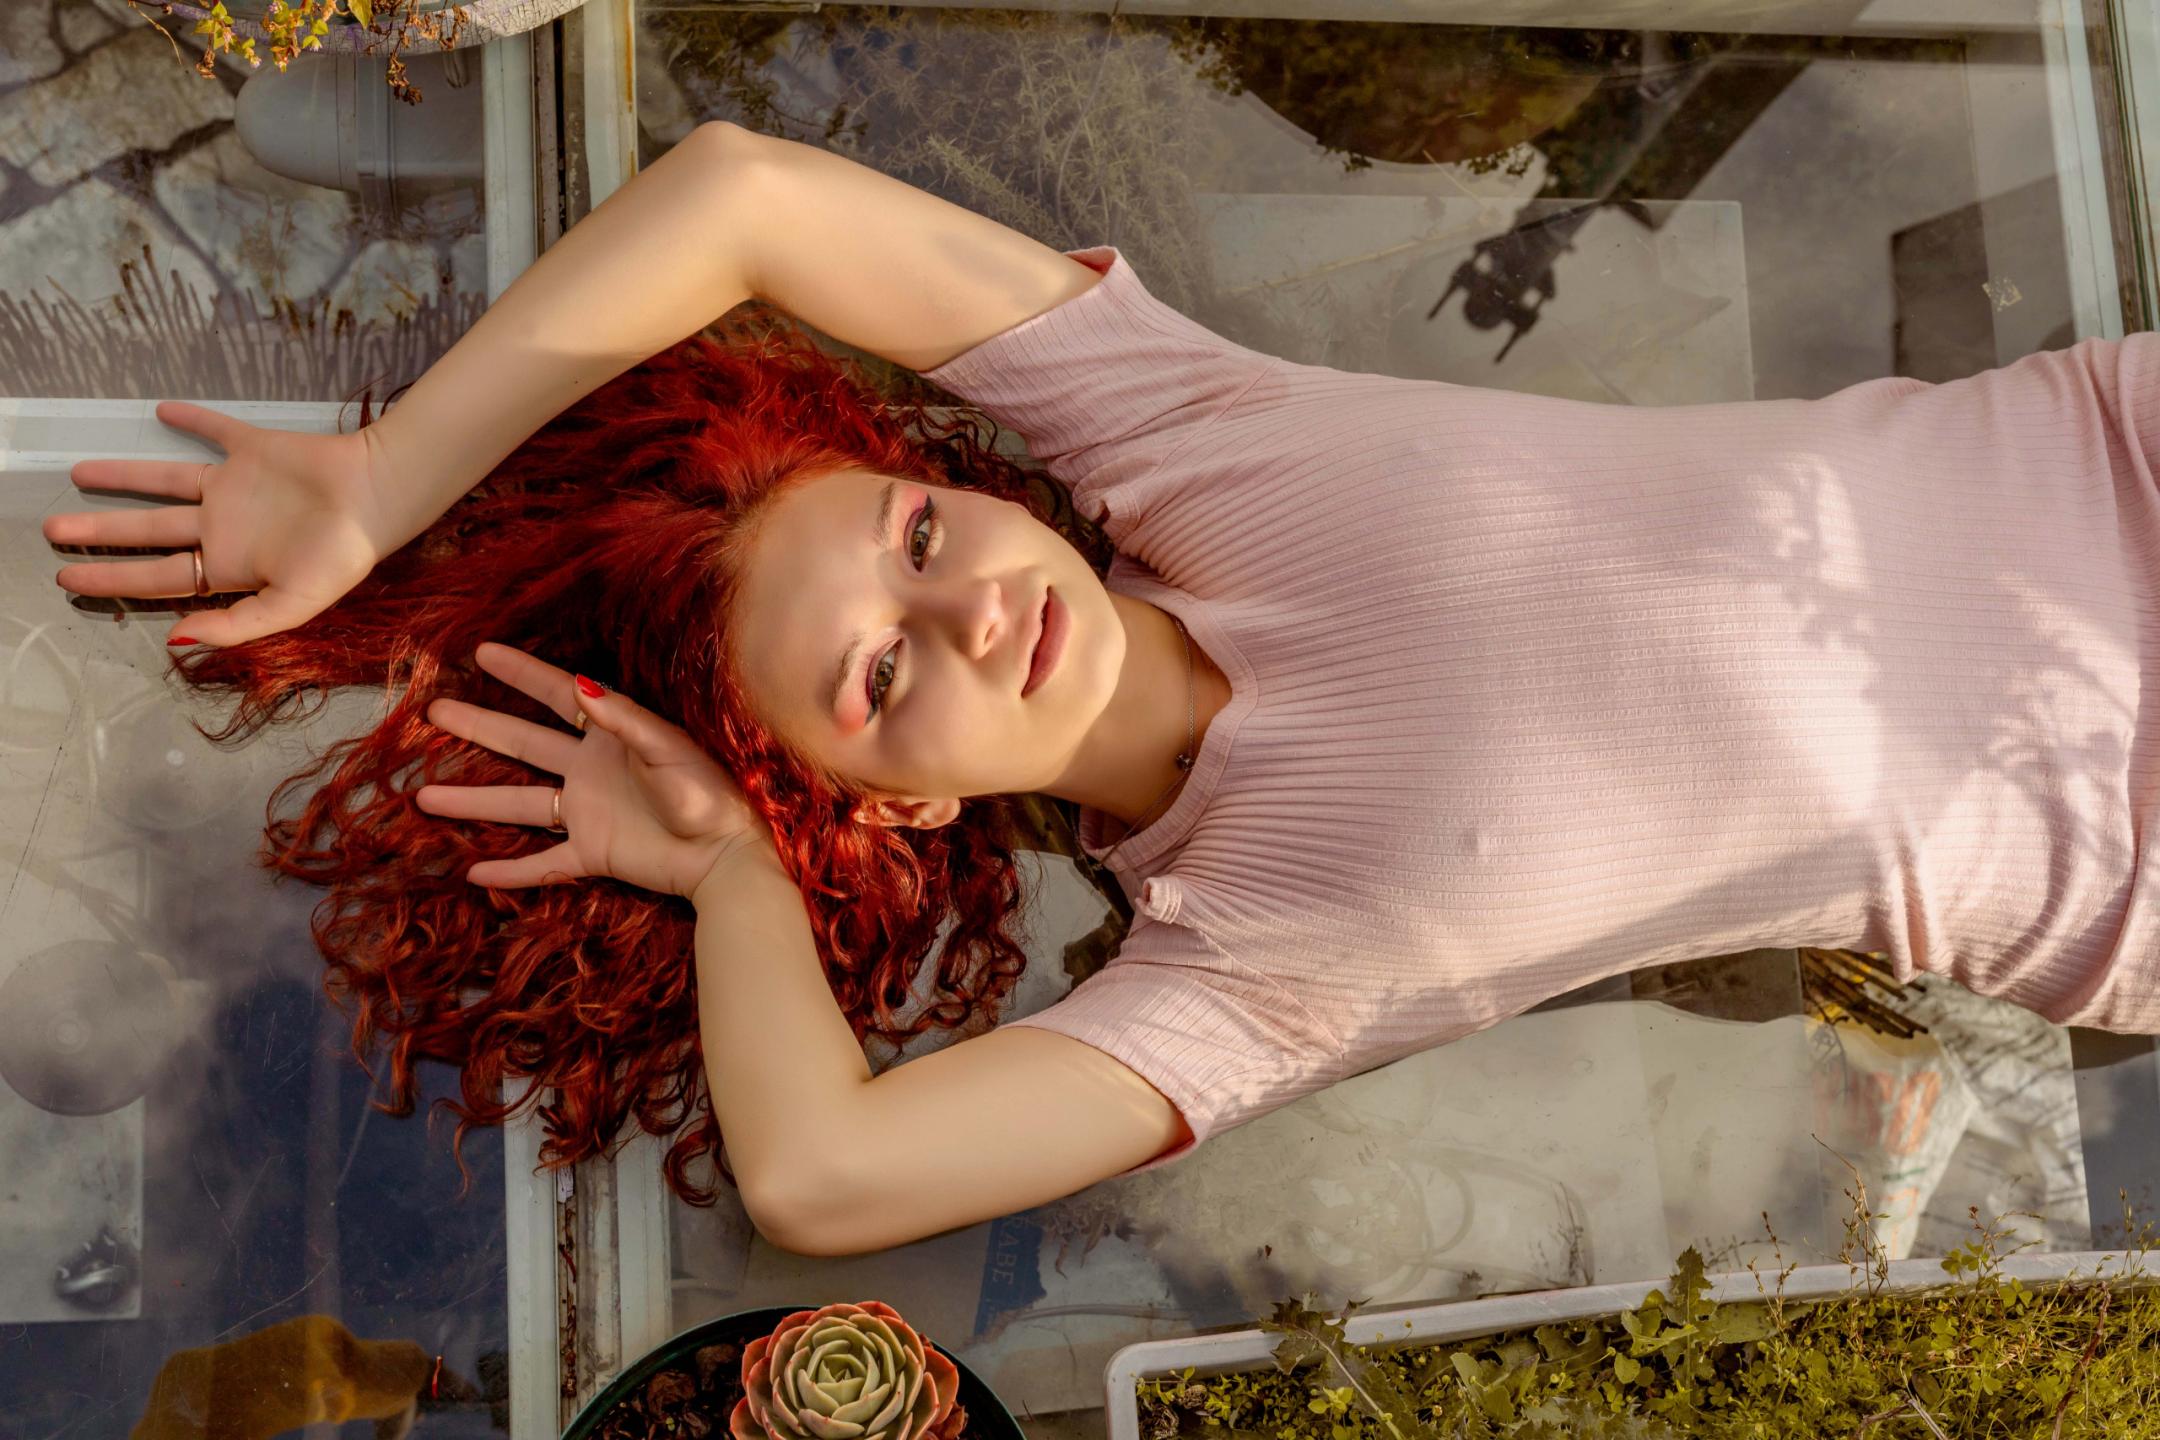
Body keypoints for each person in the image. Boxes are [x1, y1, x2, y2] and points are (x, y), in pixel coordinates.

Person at [44, 122, 2160, 1258]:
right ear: (884, 806)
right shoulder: (1244, 972)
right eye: (881, 679)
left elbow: (744, 196)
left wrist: (384, 483)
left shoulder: (1187, 437)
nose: (971, 612)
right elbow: (824, 1182)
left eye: (918, 537)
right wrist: (729, 880)